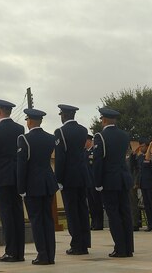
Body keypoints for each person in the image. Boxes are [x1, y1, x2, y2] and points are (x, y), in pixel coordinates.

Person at [0, 99, 25, 263]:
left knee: (6, 215)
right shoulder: (20, 128)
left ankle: (10, 252)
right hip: (17, 177)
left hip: (1, 178)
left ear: (0, 112)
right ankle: (20, 252)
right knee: (18, 214)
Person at [17, 108, 58, 266]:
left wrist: (21, 189)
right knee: (48, 219)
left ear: (30, 121)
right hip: (48, 183)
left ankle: (42, 255)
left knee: (36, 220)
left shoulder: (24, 139)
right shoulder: (50, 138)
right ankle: (50, 255)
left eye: (27, 120)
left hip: (32, 185)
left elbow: (22, 166)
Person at [93, 107, 134, 258]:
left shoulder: (101, 136)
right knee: (125, 213)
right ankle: (129, 248)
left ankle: (120, 248)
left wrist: (97, 183)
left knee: (114, 214)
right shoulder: (124, 135)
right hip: (124, 179)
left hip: (109, 180)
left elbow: (98, 161)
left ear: (103, 120)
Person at [54, 104, 91, 256]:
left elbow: (60, 157)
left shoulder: (60, 132)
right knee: (83, 210)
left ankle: (76, 244)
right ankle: (84, 243)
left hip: (68, 177)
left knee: (72, 211)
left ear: (64, 115)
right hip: (82, 176)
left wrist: (59, 179)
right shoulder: (83, 130)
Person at [136, 139, 152, 232]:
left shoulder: (150, 157)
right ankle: (150, 224)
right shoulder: (139, 157)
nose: (141, 148)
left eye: (143, 146)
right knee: (147, 205)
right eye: (140, 146)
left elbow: (148, 162)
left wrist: (150, 145)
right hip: (143, 184)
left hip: (151, 184)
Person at [85, 135, 104, 230]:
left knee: (97, 203)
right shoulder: (84, 153)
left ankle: (99, 223)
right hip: (87, 183)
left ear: (89, 141)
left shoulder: (94, 151)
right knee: (91, 205)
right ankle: (93, 222)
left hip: (94, 182)